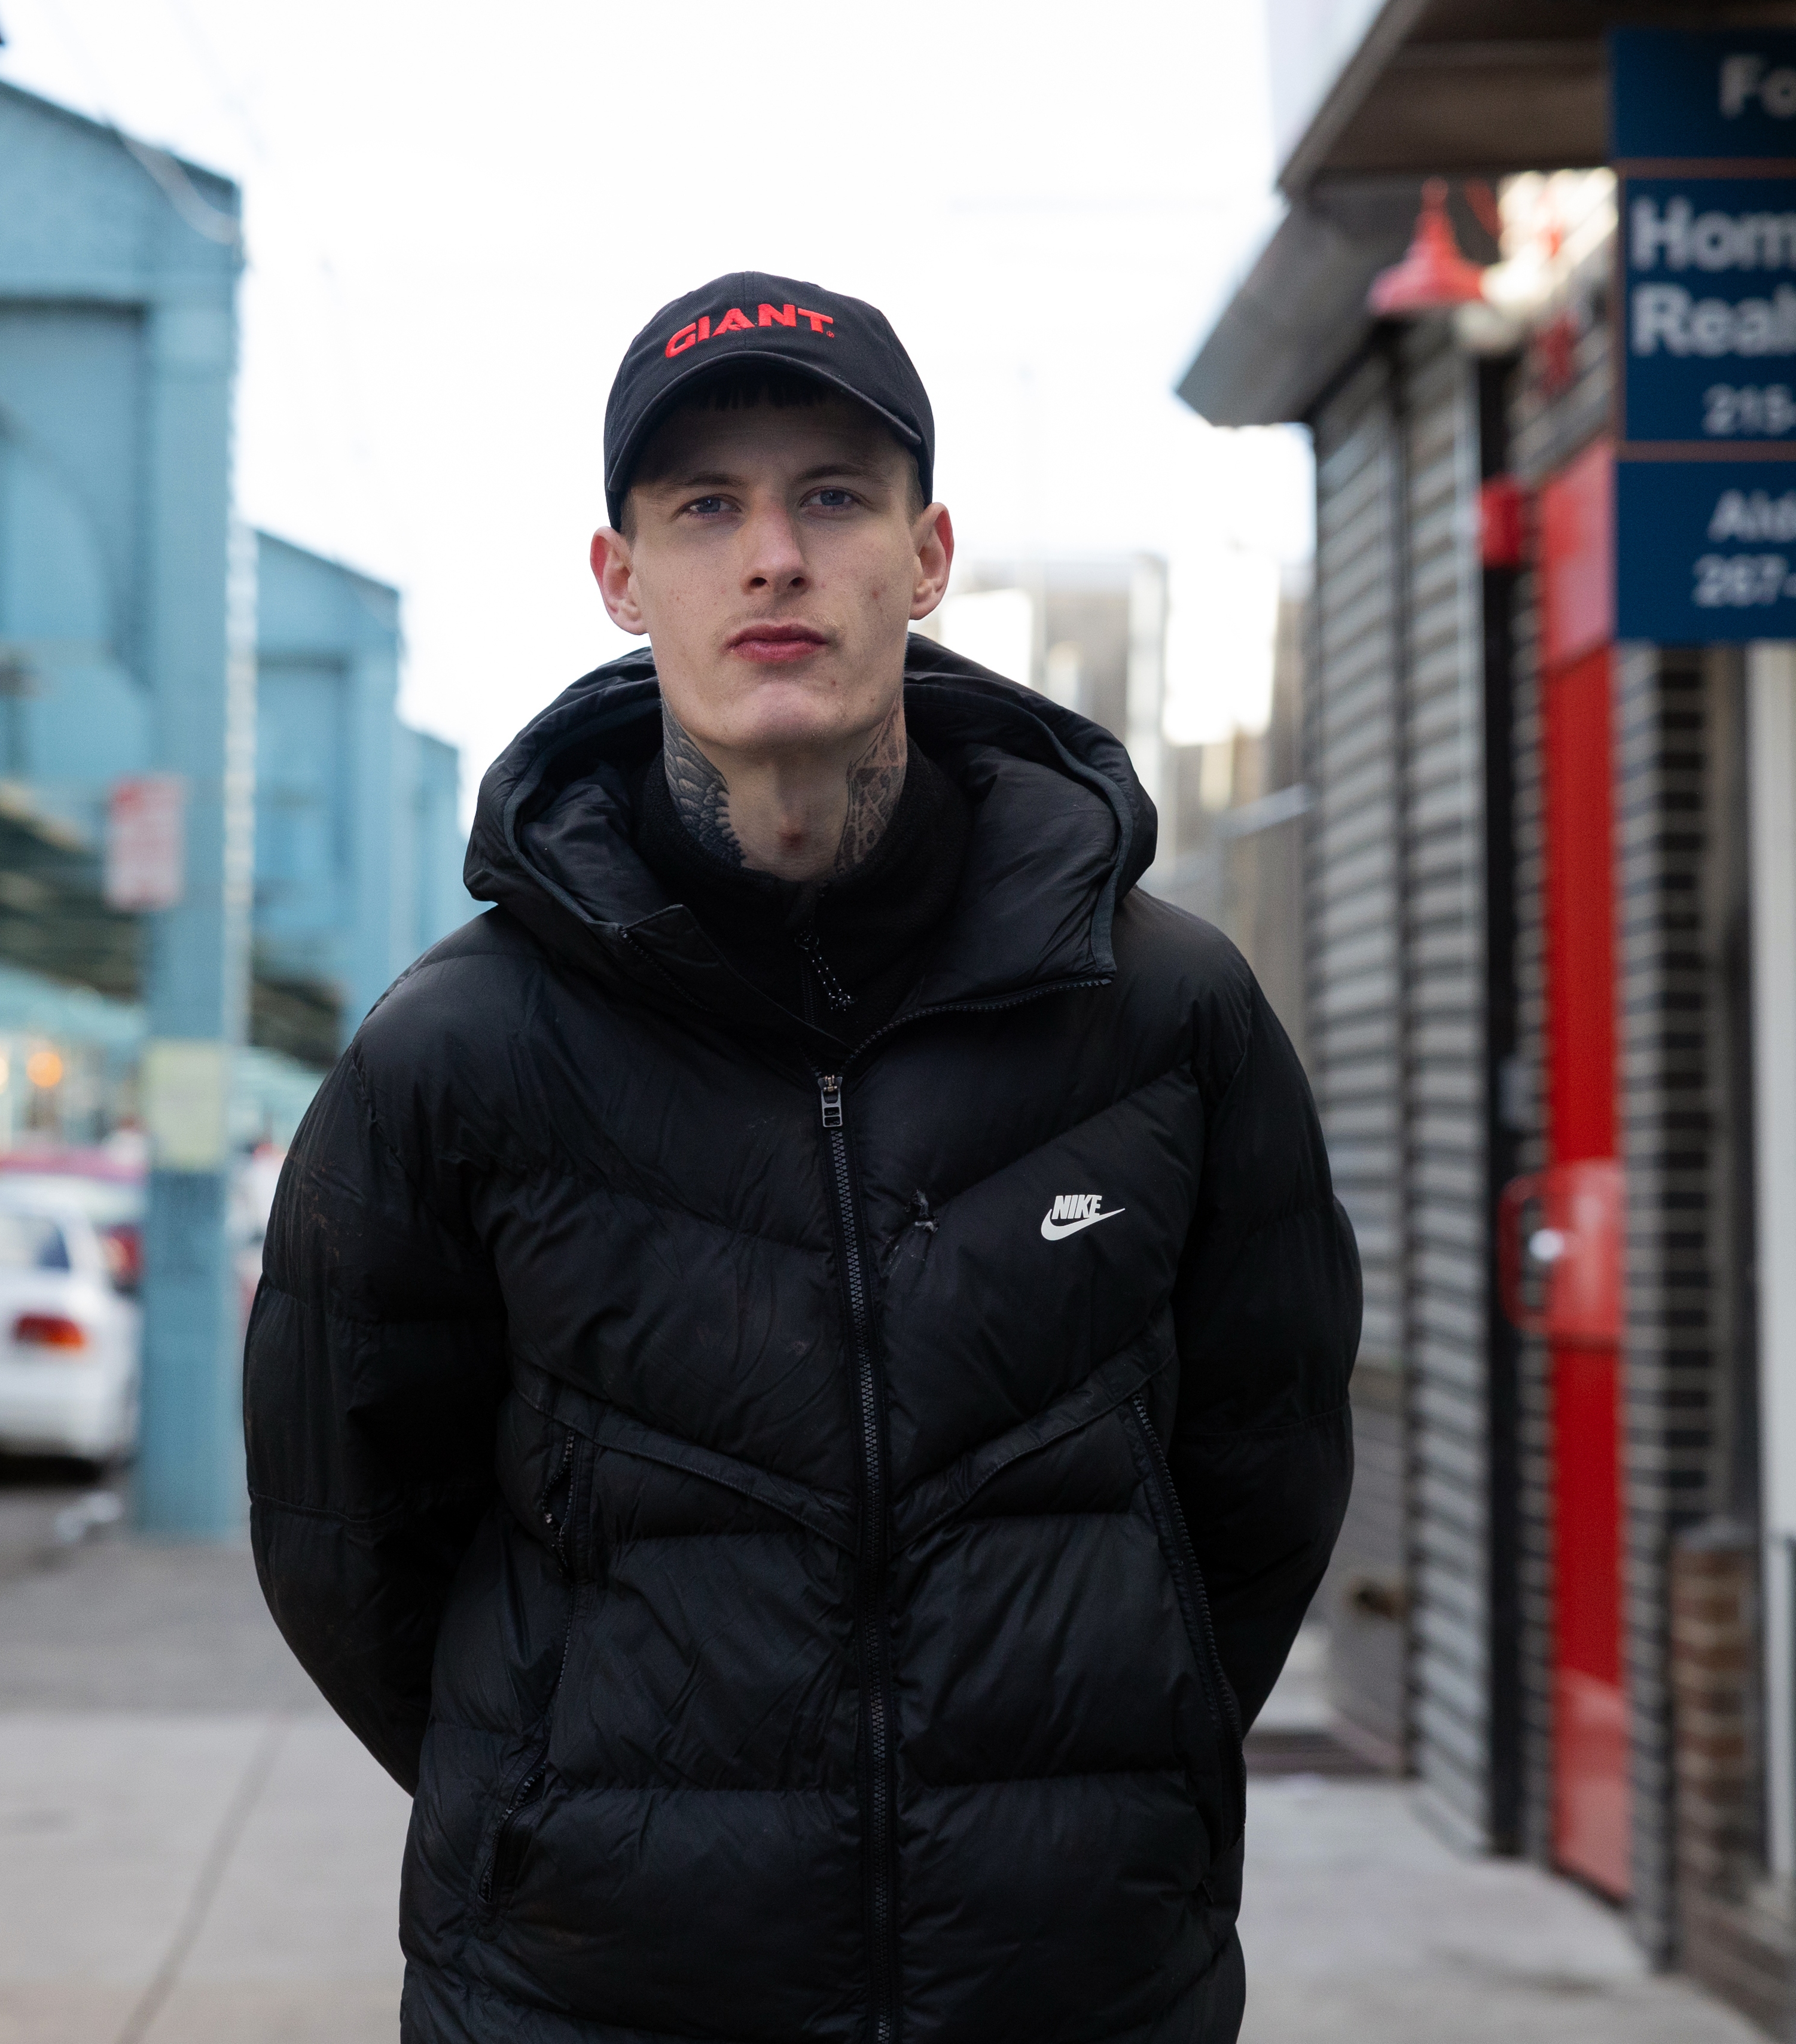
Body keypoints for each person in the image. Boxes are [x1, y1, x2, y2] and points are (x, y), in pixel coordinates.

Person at [245, 270, 1359, 2043]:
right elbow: (344, 1538)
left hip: (1073, 1988)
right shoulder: (454, 1056)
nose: (774, 556)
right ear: (623, 578)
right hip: (591, 1995)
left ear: (924, 556)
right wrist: (556, 1805)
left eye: (831, 497)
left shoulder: (1160, 1011)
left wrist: (1096, 1789)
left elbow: (1266, 1475)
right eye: (707, 508)